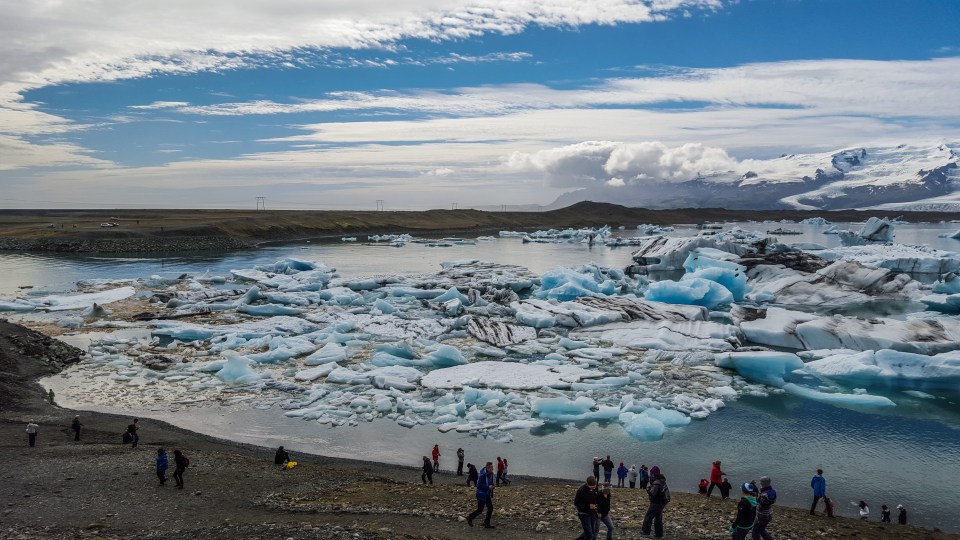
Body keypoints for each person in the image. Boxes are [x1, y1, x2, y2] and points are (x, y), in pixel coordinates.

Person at [641, 465, 669, 538]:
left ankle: (645, 531)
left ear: (653, 474)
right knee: (658, 518)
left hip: (656, 502)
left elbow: (652, 493)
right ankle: (659, 534)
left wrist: (648, 489)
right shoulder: (662, 481)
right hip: (663, 502)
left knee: (649, 516)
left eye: (651, 473)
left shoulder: (656, 483)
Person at [467, 462, 495, 528]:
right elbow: (478, 485)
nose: (492, 469)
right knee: (480, 510)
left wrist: (493, 486)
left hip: (487, 494)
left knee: (490, 508)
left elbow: (490, 482)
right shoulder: (483, 475)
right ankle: (470, 517)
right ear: (488, 468)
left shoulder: (491, 474)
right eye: (491, 468)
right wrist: (488, 487)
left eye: (492, 467)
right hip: (481, 495)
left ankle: (486, 523)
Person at [574, 476, 599, 540]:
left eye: (594, 486)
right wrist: (588, 506)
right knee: (589, 534)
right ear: (587, 484)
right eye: (591, 486)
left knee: (591, 532)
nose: (593, 487)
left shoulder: (596, 488)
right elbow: (576, 503)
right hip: (584, 514)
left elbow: (596, 497)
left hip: (593, 513)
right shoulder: (581, 490)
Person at [753, 476, 777, 540]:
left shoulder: (764, 494)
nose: (760, 483)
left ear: (762, 483)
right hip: (769, 513)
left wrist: (758, 496)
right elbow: (772, 501)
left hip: (762, 515)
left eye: (761, 482)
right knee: (761, 530)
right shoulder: (773, 491)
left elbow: (761, 504)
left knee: (755, 532)